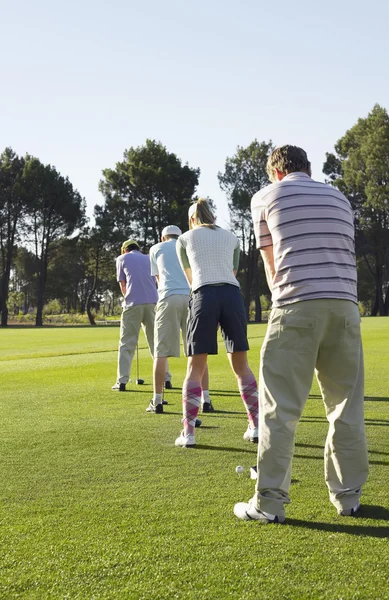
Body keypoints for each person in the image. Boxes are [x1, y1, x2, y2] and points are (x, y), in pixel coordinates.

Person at [234, 145, 369, 524]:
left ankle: (270, 502)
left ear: (275, 172)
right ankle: (348, 498)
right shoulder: (339, 197)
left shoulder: (265, 196)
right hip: (344, 307)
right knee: (346, 407)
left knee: (279, 409)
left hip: (296, 305)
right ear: (307, 170)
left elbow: (270, 264)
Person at [174, 198, 259, 447]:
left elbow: (190, 278)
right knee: (241, 365)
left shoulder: (184, 239)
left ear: (191, 219)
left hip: (204, 295)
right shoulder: (232, 237)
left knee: (195, 368)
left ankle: (188, 433)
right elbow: (232, 273)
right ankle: (255, 427)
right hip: (232, 296)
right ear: (212, 215)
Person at [146, 225, 213, 414]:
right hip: (191, 298)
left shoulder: (155, 248)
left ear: (163, 236)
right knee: (198, 352)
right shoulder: (188, 245)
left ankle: (157, 401)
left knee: (161, 353)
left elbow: (159, 279)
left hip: (168, 298)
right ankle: (206, 400)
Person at [111, 239, 170, 392]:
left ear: (125, 249)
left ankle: (122, 381)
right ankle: (166, 379)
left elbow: (123, 285)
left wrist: (127, 299)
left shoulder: (121, 259)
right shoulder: (149, 258)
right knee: (156, 342)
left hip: (133, 304)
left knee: (127, 343)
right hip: (153, 303)